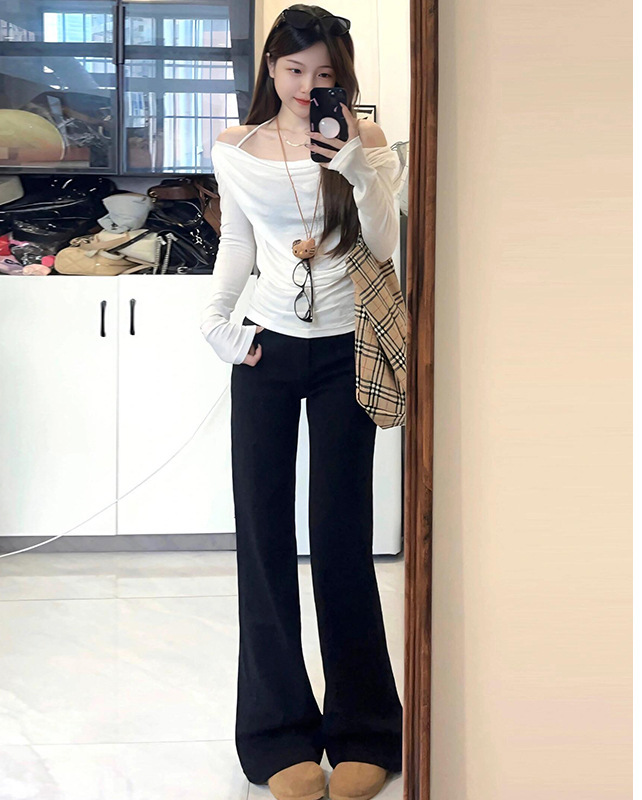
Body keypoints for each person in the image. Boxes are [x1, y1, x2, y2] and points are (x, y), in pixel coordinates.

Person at [198, 6, 405, 800]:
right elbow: (238, 240)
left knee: (341, 534)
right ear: (271, 69)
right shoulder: (235, 147)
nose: (305, 86)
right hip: (267, 348)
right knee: (262, 536)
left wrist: (354, 165)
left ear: (340, 78)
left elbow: (383, 243)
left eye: (323, 74)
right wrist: (216, 322)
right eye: (293, 70)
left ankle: (364, 730)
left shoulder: (367, 141)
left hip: (347, 345)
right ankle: (276, 732)